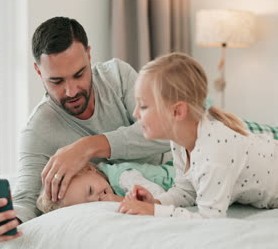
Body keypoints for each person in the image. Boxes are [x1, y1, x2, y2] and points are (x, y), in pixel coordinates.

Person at [0, 16, 171, 243]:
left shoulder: (117, 77)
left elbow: (166, 132)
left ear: (89, 55)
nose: (71, 91)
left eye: (79, 74)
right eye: (57, 81)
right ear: (38, 72)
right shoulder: (38, 131)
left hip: (171, 185)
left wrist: (88, 147)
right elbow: (26, 200)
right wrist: (4, 221)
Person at [118, 52, 278, 218]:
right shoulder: (180, 142)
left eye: (143, 106)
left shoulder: (213, 152)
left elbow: (210, 219)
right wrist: (155, 203)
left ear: (177, 111)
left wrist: (155, 212)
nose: (136, 113)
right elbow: (186, 191)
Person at [37, 162, 176, 213]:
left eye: (90, 190)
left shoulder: (123, 177)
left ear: (90, 169)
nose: (97, 199)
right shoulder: (103, 185)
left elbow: (158, 198)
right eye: (89, 204)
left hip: (181, 179)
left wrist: (118, 200)